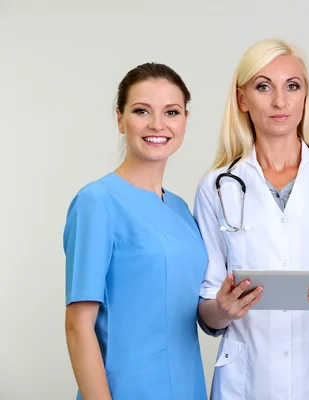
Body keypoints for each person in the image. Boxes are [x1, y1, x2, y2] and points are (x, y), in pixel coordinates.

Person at [193, 39, 309, 400]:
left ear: (305, 96)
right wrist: (223, 310)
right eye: (264, 87)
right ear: (242, 99)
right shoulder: (217, 187)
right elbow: (207, 304)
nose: (280, 101)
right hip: (248, 379)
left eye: (293, 86)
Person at [63, 63, 209, 400]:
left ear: (185, 120)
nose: (158, 125)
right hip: (127, 390)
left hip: (188, 387)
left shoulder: (181, 210)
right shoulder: (97, 202)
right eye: (141, 111)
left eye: (171, 112)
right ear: (119, 118)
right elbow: (78, 326)